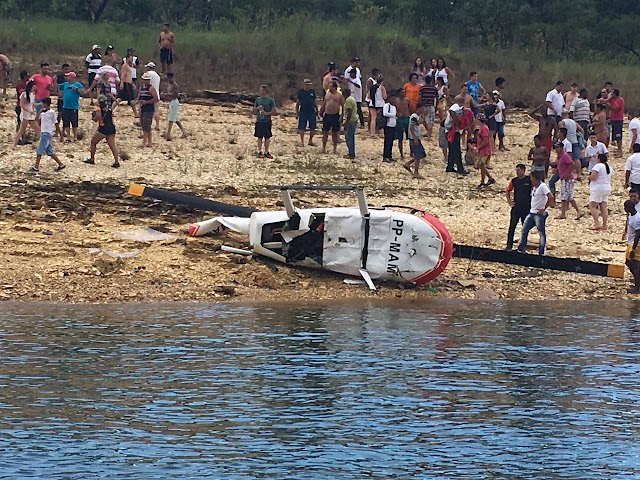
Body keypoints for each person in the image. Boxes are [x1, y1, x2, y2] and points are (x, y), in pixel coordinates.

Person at [517, 170, 554, 255]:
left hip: (538, 214)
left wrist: (544, 208)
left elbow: (550, 196)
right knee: (524, 230)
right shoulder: (535, 187)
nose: (530, 180)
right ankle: (521, 248)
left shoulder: (542, 186)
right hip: (532, 212)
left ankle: (541, 252)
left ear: (535, 178)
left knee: (541, 232)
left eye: (531, 178)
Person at [84, 94, 120, 168]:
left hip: (103, 128)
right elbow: (111, 118)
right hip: (111, 128)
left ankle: (92, 159)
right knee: (112, 146)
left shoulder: (98, 107)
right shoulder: (109, 107)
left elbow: (99, 116)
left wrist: (94, 119)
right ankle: (116, 162)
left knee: (93, 142)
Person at [550, 141, 581, 220]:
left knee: (569, 196)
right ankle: (563, 213)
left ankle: (578, 211)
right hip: (563, 178)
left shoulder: (565, 155)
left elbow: (572, 163)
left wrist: (567, 173)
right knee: (563, 196)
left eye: (557, 147)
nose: (556, 149)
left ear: (561, 147)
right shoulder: (559, 157)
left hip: (568, 179)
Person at [33, 98, 65, 172]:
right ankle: (61, 164)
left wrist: (61, 135)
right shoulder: (43, 112)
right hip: (43, 132)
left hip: (47, 133)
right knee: (49, 151)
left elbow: (56, 123)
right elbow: (36, 119)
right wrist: (40, 112)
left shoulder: (52, 112)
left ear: (45, 104)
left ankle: (36, 167)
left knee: (39, 150)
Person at [505, 164, 532, 250]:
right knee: (512, 226)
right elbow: (508, 190)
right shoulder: (514, 181)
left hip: (526, 207)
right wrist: (510, 202)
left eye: (518, 170)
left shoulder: (529, 180)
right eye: (516, 170)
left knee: (525, 228)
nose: (517, 172)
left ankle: (523, 245)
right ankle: (509, 245)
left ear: (523, 170)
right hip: (516, 207)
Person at [60, 71, 87, 142]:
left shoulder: (78, 84)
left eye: (68, 76)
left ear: (72, 77)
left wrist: (76, 88)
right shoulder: (65, 84)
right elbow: (57, 87)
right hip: (65, 106)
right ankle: (68, 137)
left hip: (73, 107)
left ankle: (75, 136)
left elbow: (84, 92)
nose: (67, 77)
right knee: (66, 122)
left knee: (74, 122)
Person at [588, 153, 613, 231]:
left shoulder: (598, 166)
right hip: (606, 187)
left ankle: (597, 223)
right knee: (603, 207)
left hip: (598, 187)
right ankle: (604, 224)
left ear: (599, 159)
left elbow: (594, 177)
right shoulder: (609, 167)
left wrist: (589, 177)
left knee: (593, 206)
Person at [444, 101, 469, 175]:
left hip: (453, 131)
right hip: (453, 132)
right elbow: (451, 111)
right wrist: (457, 122)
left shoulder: (460, 110)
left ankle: (450, 167)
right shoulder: (456, 106)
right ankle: (460, 169)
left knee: (452, 150)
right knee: (457, 150)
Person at [161, 72, 188, 140]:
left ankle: (168, 134)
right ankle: (184, 132)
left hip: (174, 101)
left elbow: (175, 95)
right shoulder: (170, 85)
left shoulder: (175, 85)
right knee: (175, 118)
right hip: (171, 102)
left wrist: (166, 95)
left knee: (171, 118)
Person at [319, 81, 344, 155]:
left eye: (330, 86)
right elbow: (324, 104)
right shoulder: (327, 95)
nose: (329, 87)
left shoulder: (339, 96)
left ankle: (335, 149)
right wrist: (320, 113)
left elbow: (343, 106)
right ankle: (323, 148)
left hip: (335, 115)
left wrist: (342, 116)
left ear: (334, 87)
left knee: (335, 133)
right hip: (327, 115)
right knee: (325, 132)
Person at [472, 113, 496, 188]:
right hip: (483, 150)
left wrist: (478, 147)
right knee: (481, 165)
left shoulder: (484, 128)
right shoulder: (483, 127)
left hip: (484, 151)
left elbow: (485, 141)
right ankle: (489, 179)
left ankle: (484, 180)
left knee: (481, 165)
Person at [13, 80, 40, 147]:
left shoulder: (32, 94)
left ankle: (42, 143)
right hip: (25, 114)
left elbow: (32, 104)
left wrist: (40, 104)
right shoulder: (24, 94)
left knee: (37, 129)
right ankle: (14, 145)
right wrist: (29, 111)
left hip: (30, 114)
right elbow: (22, 105)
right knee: (21, 130)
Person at [253, 84, 276, 158]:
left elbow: (274, 112)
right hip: (259, 121)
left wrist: (266, 113)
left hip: (267, 121)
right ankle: (259, 151)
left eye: (261, 90)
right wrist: (257, 108)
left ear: (265, 91)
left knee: (267, 137)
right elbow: (253, 111)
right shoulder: (258, 99)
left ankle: (266, 152)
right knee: (259, 137)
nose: (260, 91)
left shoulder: (270, 100)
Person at [403, 103, 426, 178]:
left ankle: (408, 163)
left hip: (416, 137)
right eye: (423, 108)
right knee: (418, 155)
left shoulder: (417, 117)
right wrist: (415, 138)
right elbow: (411, 128)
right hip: (414, 138)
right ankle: (416, 172)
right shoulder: (414, 116)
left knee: (421, 154)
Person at [137, 72, 158, 148]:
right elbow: (139, 97)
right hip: (143, 108)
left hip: (149, 109)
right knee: (145, 125)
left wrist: (147, 102)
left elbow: (156, 98)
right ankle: (149, 142)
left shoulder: (151, 88)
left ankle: (144, 142)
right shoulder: (141, 88)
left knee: (146, 125)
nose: (146, 81)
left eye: (147, 80)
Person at [295, 78, 318, 146]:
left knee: (313, 127)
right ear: (304, 85)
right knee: (301, 127)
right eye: (306, 84)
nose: (307, 86)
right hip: (303, 111)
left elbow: (314, 102)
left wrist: (317, 110)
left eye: (308, 84)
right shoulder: (301, 92)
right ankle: (302, 141)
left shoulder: (312, 92)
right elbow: (298, 103)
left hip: (311, 111)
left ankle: (310, 140)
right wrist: (297, 113)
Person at [624, 200, 640, 293]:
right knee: (628, 262)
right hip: (631, 242)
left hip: (636, 244)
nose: (624, 209)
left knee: (634, 264)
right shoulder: (631, 215)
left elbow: (638, 234)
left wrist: (633, 249)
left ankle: (637, 287)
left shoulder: (637, 219)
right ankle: (637, 282)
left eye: (625, 207)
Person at [54, 63, 70, 140]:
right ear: (62, 70)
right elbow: (55, 86)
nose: (67, 71)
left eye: (68, 69)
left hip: (67, 99)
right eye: (65, 69)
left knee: (65, 116)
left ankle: (63, 131)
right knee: (59, 115)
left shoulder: (70, 78)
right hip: (61, 99)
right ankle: (57, 130)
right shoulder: (59, 78)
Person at [144, 62, 162, 130]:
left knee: (145, 110)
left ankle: (143, 123)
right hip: (157, 94)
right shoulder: (157, 76)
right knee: (156, 111)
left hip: (148, 94)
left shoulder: (148, 74)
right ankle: (157, 125)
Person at [607, 89, 625, 157]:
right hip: (612, 119)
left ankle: (620, 151)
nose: (611, 94)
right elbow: (606, 101)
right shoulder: (611, 99)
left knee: (618, 135)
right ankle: (617, 150)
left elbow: (615, 109)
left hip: (618, 119)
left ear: (615, 93)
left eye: (612, 93)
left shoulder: (620, 100)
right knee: (614, 134)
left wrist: (609, 105)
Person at [395, 88, 411, 160]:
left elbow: (410, 109)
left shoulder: (407, 100)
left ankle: (411, 152)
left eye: (404, 92)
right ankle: (401, 154)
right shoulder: (396, 101)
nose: (404, 94)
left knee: (410, 137)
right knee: (400, 138)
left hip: (407, 118)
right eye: (402, 92)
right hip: (400, 119)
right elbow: (394, 109)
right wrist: (397, 114)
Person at [382, 91, 397, 163]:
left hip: (393, 125)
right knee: (387, 141)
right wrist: (393, 115)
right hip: (388, 126)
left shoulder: (394, 107)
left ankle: (390, 156)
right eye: (393, 99)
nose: (394, 101)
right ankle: (385, 156)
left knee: (391, 141)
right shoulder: (386, 106)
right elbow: (385, 114)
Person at [342, 87, 357, 160]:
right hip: (354, 120)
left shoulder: (348, 100)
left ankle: (351, 153)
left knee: (349, 137)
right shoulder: (352, 99)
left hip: (351, 120)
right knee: (351, 137)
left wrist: (346, 122)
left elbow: (349, 112)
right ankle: (351, 152)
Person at [14, 70, 28, 142]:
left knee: (23, 122)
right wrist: (27, 90)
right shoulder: (20, 84)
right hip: (20, 106)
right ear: (24, 76)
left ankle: (23, 137)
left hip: (24, 105)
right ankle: (18, 138)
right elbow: (20, 91)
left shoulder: (25, 84)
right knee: (20, 122)